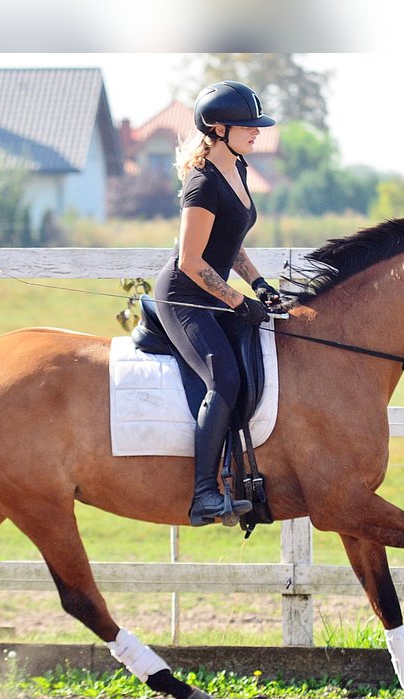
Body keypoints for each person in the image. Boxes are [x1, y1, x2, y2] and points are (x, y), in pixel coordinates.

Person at [153, 80, 282, 526]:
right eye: (247, 126)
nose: (256, 132)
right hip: (184, 299)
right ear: (218, 128)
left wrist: (258, 283)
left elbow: (230, 244)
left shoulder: (238, 168)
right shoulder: (202, 183)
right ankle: (205, 494)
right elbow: (190, 261)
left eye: (257, 125)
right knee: (224, 378)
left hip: (213, 294)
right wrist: (236, 300)